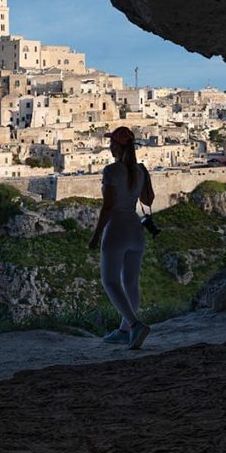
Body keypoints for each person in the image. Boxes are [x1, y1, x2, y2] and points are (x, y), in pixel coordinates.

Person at [88, 126, 155, 349]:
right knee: (130, 282)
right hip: (136, 229)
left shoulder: (112, 171)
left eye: (111, 143)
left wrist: (96, 235)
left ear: (116, 146)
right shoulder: (141, 170)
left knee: (110, 281)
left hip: (116, 228)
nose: (109, 146)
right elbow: (148, 201)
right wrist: (145, 177)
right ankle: (125, 330)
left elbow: (108, 206)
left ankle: (135, 325)